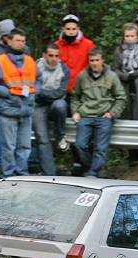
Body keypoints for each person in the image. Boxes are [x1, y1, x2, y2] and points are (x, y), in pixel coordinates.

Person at [0, 28, 41, 178]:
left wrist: (35, 91)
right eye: (18, 40)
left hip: (26, 110)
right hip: (8, 110)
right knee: (8, 147)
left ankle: (22, 174)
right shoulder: (0, 61)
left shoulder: (30, 60)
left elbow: (39, 79)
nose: (21, 44)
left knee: (25, 146)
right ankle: (8, 176)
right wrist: (8, 93)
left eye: (23, 41)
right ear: (9, 41)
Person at [71, 49, 126, 178]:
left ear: (102, 61)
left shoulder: (111, 76)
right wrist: (75, 111)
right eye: (92, 61)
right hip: (85, 115)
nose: (94, 63)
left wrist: (112, 113)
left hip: (104, 116)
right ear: (88, 62)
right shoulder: (82, 76)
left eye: (97, 60)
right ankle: (91, 167)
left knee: (100, 148)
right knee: (80, 145)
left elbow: (121, 97)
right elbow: (75, 97)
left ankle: (92, 173)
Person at [55, 14, 96, 154]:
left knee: (84, 125)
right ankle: (73, 159)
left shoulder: (88, 44)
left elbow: (92, 67)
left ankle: (84, 161)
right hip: (62, 92)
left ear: (78, 29)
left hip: (82, 93)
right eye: (68, 29)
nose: (71, 31)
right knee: (66, 126)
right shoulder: (57, 45)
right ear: (63, 29)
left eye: (74, 28)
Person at [32, 44, 69, 176]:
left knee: (61, 104)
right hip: (38, 105)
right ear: (44, 55)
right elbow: (34, 91)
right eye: (51, 55)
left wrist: (44, 93)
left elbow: (61, 92)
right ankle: (49, 173)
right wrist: (46, 94)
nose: (54, 58)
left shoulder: (63, 68)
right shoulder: (36, 66)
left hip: (55, 104)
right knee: (42, 138)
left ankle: (60, 136)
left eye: (56, 56)